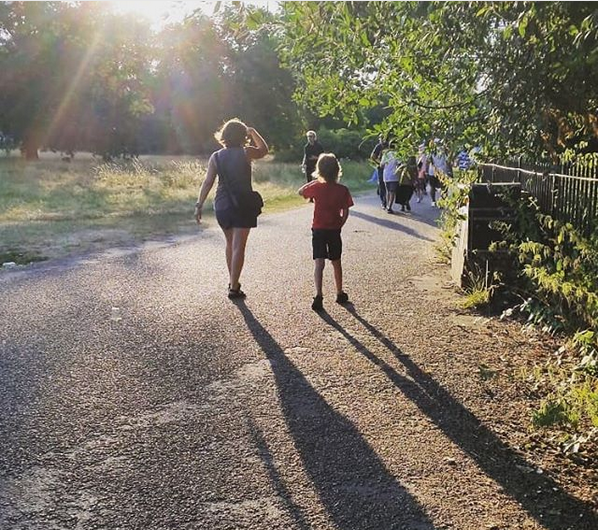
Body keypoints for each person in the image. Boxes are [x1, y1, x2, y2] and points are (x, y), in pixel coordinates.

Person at [194, 118, 268, 299]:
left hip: (222, 204)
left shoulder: (216, 156)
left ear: (224, 135)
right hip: (242, 203)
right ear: (243, 136)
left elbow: (208, 182)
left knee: (230, 244)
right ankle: (234, 287)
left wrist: (199, 204)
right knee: (238, 247)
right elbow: (264, 150)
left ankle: (232, 281)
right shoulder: (246, 152)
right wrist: (253, 131)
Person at [298, 153, 354, 311]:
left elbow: (300, 192)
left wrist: (315, 181)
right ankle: (339, 292)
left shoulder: (316, 187)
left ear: (319, 170)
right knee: (336, 261)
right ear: (337, 170)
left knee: (319, 263)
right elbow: (346, 210)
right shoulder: (342, 189)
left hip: (318, 229)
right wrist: (341, 223)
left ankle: (319, 294)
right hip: (334, 229)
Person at [370, 135, 388, 209]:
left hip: (391, 167)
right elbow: (373, 156)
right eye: (381, 138)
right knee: (382, 184)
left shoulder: (390, 146)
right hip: (381, 168)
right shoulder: (378, 146)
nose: (382, 140)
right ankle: (383, 201)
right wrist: (380, 163)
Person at [381, 148, 400, 214]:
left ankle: (388, 205)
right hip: (394, 175)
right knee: (392, 191)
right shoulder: (397, 154)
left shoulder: (385, 154)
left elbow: (381, 165)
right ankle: (389, 207)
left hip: (386, 175)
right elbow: (400, 164)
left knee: (388, 191)